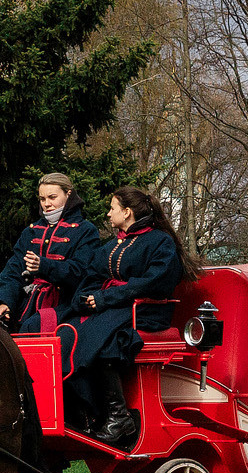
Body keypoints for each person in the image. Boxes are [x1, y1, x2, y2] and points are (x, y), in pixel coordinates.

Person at [46, 185, 186, 445]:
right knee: (67, 332)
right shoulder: (113, 245)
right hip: (113, 308)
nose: (108, 215)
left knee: (96, 336)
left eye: (112, 209)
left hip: (147, 310)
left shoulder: (160, 242)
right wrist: (86, 298)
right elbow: (92, 276)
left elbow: (150, 284)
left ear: (127, 212)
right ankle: (83, 411)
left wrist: (103, 299)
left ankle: (118, 415)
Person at [0, 173, 94, 334]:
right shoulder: (31, 232)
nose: (47, 204)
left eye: (52, 197)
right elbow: (13, 271)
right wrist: (5, 302)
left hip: (65, 304)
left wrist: (44, 266)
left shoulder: (85, 231)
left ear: (68, 194)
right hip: (27, 302)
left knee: (32, 326)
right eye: (42, 199)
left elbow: (81, 272)